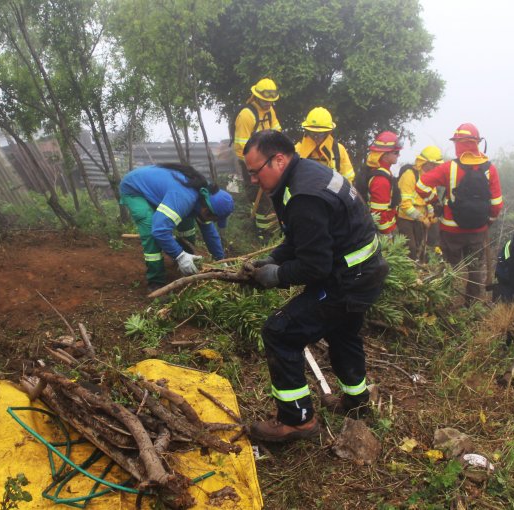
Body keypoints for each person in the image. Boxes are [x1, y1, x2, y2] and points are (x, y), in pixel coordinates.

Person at [242, 130, 388, 442]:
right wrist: (272, 258)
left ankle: (297, 420)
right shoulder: (306, 172)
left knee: (279, 332)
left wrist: (276, 275)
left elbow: (314, 266)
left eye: (256, 172)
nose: (253, 179)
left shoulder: (303, 196)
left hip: (348, 279)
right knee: (343, 332)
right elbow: (301, 240)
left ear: (278, 159)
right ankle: (357, 403)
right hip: (365, 270)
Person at [416, 123, 503, 303]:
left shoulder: (449, 168)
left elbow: (421, 185)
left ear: (457, 143)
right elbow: (496, 203)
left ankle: (445, 301)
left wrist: (434, 201)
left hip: (450, 230)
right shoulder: (490, 169)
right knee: (475, 268)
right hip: (478, 230)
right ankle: (471, 303)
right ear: (477, 143)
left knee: (448, 267)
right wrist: (489, 221)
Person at [119, 164, 234, 291]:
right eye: (211, 218)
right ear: (206, 208)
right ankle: (156, 283)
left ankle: (185, 262)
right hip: (135, 189)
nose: (210, 221)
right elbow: (159, 231)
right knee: (151, 232)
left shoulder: (206, 195)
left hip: (159, 188)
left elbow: (210, 232)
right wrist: (180, 256)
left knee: (187, 225)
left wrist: (221, 260)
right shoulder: (184, 197)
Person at [233, 78, 282, 239]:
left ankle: (268, 227)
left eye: (271, 101)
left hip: (267, 161)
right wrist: (256, 168)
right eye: (265, 100)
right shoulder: (246, 116)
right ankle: (263, 234)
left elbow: (276, 132)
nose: (268, 103)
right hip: (250, 164)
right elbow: (241, 148)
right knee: (259, 197)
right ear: (256, 97)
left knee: (271, 194)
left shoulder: (270, 111)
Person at [397, 146, 443, 261]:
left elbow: (430, 199)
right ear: (425, 163)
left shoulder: (430, 177)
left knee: (419, 248)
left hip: (420, 218)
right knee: (410, 249)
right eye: (434, 165)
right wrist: (422, 218)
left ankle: (419, 272)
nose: (436, 167)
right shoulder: (409, 175)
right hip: (405, 218)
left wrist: (432, 214)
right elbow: (405, 204)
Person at [357, 131, 402, 236]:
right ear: (384, 154)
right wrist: (387, 235)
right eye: (395, 152)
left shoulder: (380, 171)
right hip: (381, 231)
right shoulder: (380, 179)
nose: (398, 155)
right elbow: (378, 214)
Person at [295, 107, 355, 182]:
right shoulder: (297, 150)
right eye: (312, 133)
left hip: (330, 192)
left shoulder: (339, 150)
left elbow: (348, 178)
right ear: (306, 131)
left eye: (320, 134)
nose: (316, 137)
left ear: (329, 132)